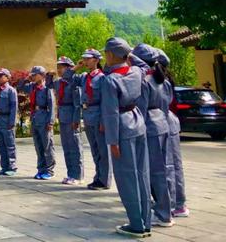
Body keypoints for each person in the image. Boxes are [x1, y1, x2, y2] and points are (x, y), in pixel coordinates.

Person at [100, 37, 151, 238]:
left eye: (106, 53)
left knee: (126, 177)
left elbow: (110, 112)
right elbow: (144, 64)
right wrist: (128, 54)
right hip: (137, 121)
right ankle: (146, 222)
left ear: (111, 54)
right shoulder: (136, 72)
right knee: (142, 174)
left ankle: (136, 224)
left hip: (121, 125)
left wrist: (112, 141)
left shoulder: (110, 80)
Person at [131, 44, 174, 228]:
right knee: (163, 170)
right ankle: (167, 208)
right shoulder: (162, 80)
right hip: (162, 124)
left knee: (154, 172)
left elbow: (140, 109)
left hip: (149, 127)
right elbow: (167, 103)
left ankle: (164, 213)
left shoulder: (144, 81)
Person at [70, 48, 112, 190]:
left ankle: (104, 180)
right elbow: (67, 78)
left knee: (103, 150)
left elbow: (106, 101)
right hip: (87, 115)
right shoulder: (84, 77)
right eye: (85, 59)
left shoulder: (102, 77)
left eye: (88, 59)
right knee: (94, 150)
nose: (86, 61)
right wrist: (77, 66)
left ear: (96, 60)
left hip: (98, 114)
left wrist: (103, 121)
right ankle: (98, 177)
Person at [158, 50, 189, 218]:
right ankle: (179, 204)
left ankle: (172, 205)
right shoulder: (166, 80)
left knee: (169, 166)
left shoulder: (160, 81)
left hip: (165, 122)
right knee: (174, 165)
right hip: (171, 121)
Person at [17, 66, 56, 180]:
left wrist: (51, 122)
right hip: (35, 118)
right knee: (38, 146)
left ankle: (49, 170)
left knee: (47, 146)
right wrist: (26, 78)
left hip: (44, 118)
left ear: (42, 75)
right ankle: (41, 169)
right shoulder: (32, 87)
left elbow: (52, 106)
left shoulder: (47, 88)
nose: (33, 76)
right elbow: (20, 87)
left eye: (35, 75)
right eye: (32, 75)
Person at [51, 56, 83, 185]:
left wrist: (76, 119)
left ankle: (78, 175)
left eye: (61, 67)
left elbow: (77, 103)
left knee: (75, 147)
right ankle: (70, 174)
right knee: (67, 147)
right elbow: (48, 84)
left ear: (70, 68)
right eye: (58, 67)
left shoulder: (74, 81)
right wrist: (49, 75)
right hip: (63, 115)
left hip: (71, 115)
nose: (59, 70)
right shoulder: (59, 82)